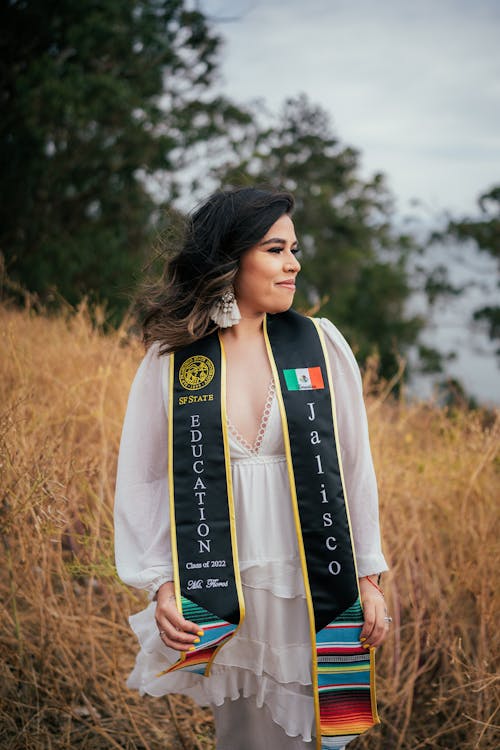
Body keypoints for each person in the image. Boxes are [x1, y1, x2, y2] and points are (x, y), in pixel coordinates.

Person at [114, 187, 390, 750]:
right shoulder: (174, 359)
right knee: (243, 736)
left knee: (316, 732)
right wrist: (163, 586)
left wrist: (367, 578)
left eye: (294, 248)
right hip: (224, 582)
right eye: (274, 249)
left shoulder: (321, 344)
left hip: (311, 579)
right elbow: (143, 481)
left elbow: (355, 471)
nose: (294, 263)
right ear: (230, 257)